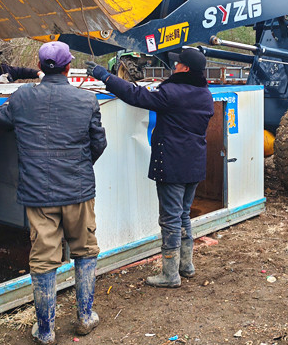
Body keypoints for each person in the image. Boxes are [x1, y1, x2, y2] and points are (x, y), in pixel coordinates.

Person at [0, 41, 107, 345]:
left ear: (39, 67)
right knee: (85, 251)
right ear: (69, 67)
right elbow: (99, 143)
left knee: (43, 260)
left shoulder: (22, 97)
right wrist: (78, 168)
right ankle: (85, 317)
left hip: (38, 193)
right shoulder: (87, 99)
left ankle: (45, 332)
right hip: (78, 190)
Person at [86, 47, 214, 288]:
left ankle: (170, 275)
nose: (174, 66)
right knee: (183, 215)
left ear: (185, 68)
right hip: (195, 163)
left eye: (178, 64)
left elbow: (135, 95)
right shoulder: (205, 94)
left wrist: (105, 76)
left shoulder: (172, 92)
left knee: (170, 219)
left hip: (173, 165)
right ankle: (186, 265)